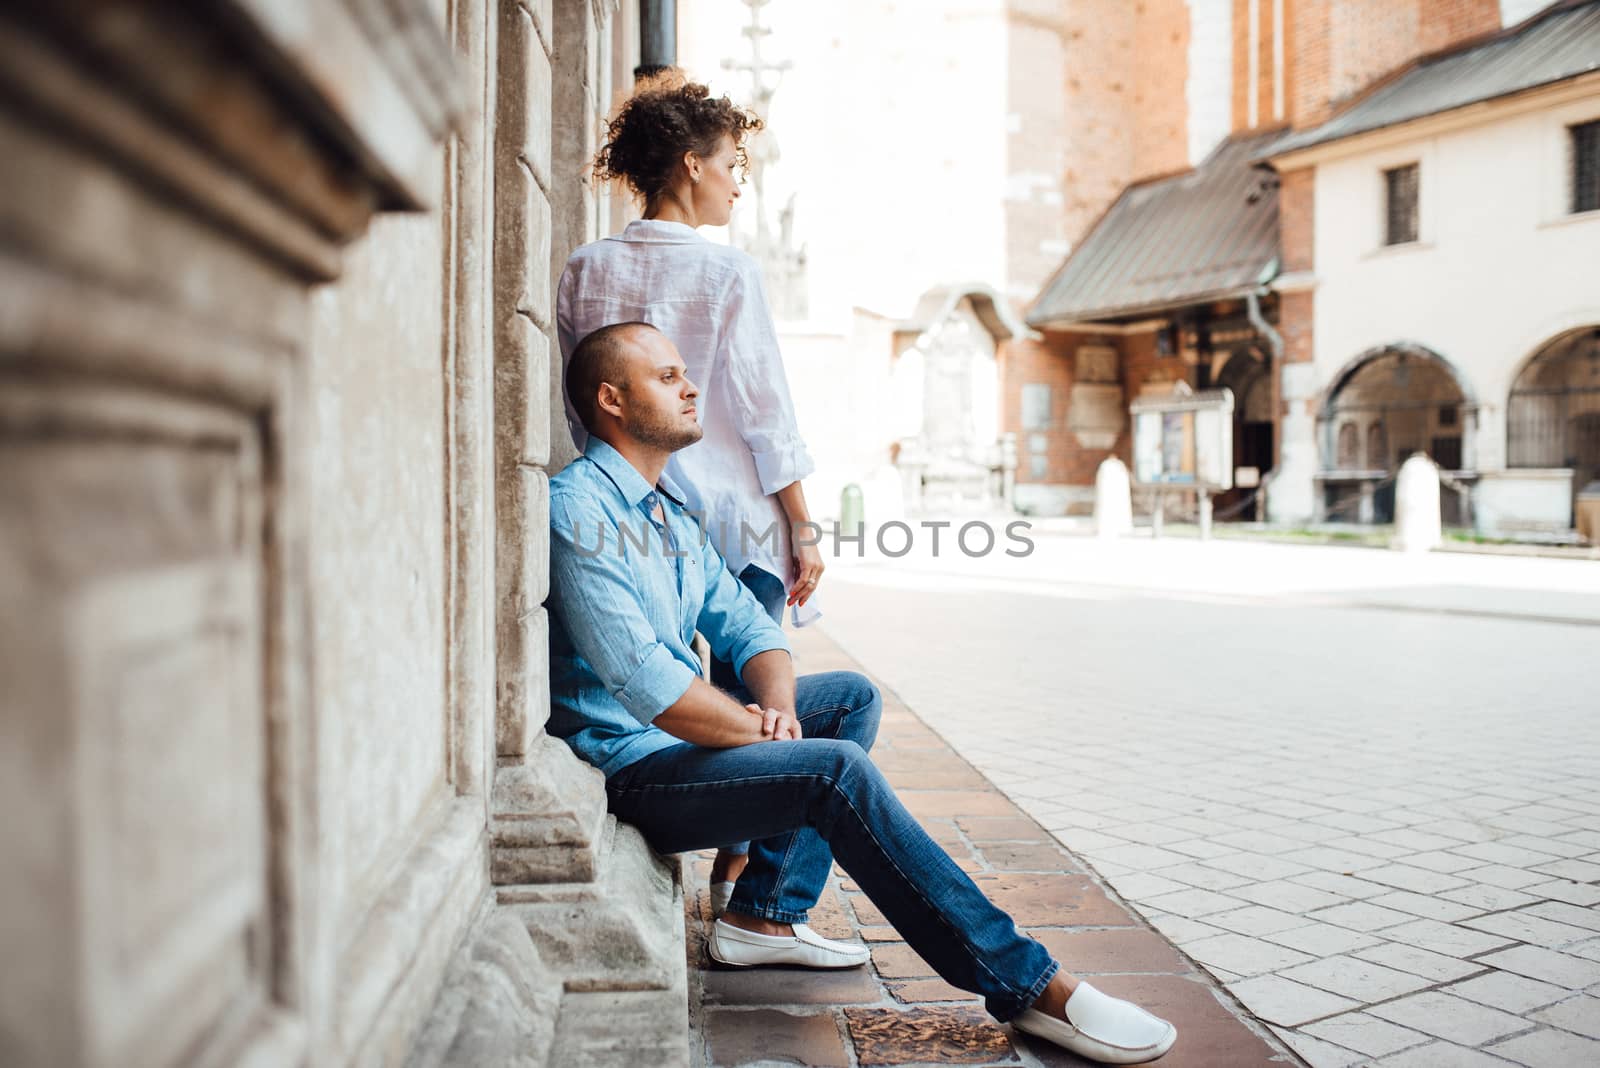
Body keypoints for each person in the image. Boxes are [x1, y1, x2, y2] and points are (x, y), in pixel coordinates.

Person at [546, 322, 1177, 1065]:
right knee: (832, 769)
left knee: (847, 699)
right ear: (612, 400)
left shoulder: (668, 512)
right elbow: (652, 688)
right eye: (667, 376)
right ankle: (1032, 986)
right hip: (635, 767)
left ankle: (764, 916)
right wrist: (770, 737)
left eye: (686, 371)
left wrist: (775, 712)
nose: (689, 386)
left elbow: (754, 632)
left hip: (680, 742)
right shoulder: (578, 508)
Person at [555, 76, 822, 912]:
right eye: (731, 163)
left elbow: (582, 395)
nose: (739, 182)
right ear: (688, 164)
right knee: (759, 707)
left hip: (635, 505)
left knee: (709, 706)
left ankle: (741, 893)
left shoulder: (585, 268)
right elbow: (764, 408)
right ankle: (748, 897)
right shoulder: (730, 271)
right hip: (735, 523)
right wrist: (806, 528)